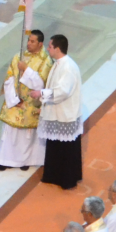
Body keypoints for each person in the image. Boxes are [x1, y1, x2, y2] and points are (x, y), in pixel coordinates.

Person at [0, 29, 51, 170]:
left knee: (26, 136)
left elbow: (40, 85)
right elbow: (9, 78)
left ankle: (24, 161)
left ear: (40, 44)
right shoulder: (18, 56)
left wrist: (26, 69)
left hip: (31, 103)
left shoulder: (45, 61)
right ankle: (4, 160)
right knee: (9, 133)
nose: (29, 43)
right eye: (28, 40)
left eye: (32, 41)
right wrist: (13, 99)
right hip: (15, 101)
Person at [38, 33, 84, 189]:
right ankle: (53, 175)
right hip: (57, 113)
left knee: (66, 150)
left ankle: (67, 180)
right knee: (55, 146)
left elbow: (63, 91)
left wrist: (41, 94)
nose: (47, 49)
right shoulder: (58, 64)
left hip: (65, 114)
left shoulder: (68, 67)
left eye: (50, 46)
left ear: (57, 49)